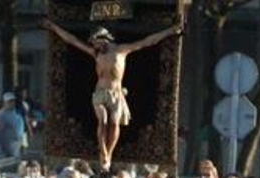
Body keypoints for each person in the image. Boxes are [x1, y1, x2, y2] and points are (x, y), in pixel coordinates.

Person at [45, 21, 185, 170]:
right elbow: (73, 40)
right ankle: (103, 152)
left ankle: (109, 154)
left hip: (116, 94)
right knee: (103, 119)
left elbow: (147, 42)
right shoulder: (96, 53)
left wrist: (170, 31)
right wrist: (54, 27)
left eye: (97, 43)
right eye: (94, 45)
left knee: (114, 122)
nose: (96, 47)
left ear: (104, 39)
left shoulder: (121, 50)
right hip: (100, 93)